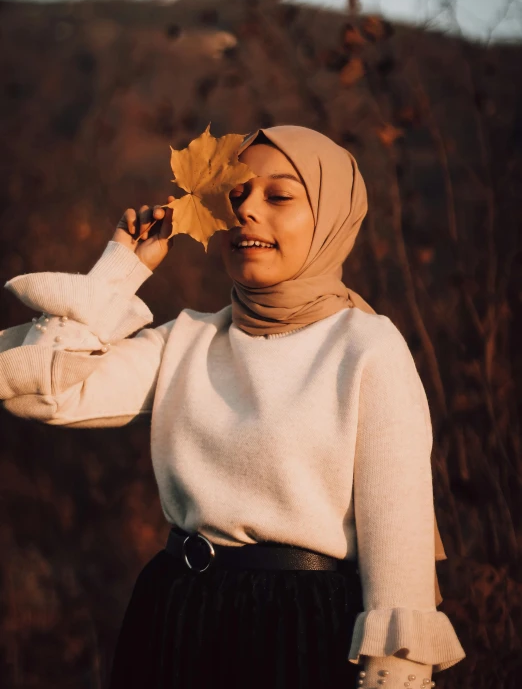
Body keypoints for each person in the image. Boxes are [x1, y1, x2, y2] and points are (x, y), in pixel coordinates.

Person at [0, 125, 466, 689]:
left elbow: (399, 565)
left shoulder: (367, 348)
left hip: (302, 632)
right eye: (236, 193)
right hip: (172, 617)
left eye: (279, 195)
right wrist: (118, 272)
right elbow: (35, 391)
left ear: (331, 217)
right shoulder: (189, 340)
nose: (247, 210)